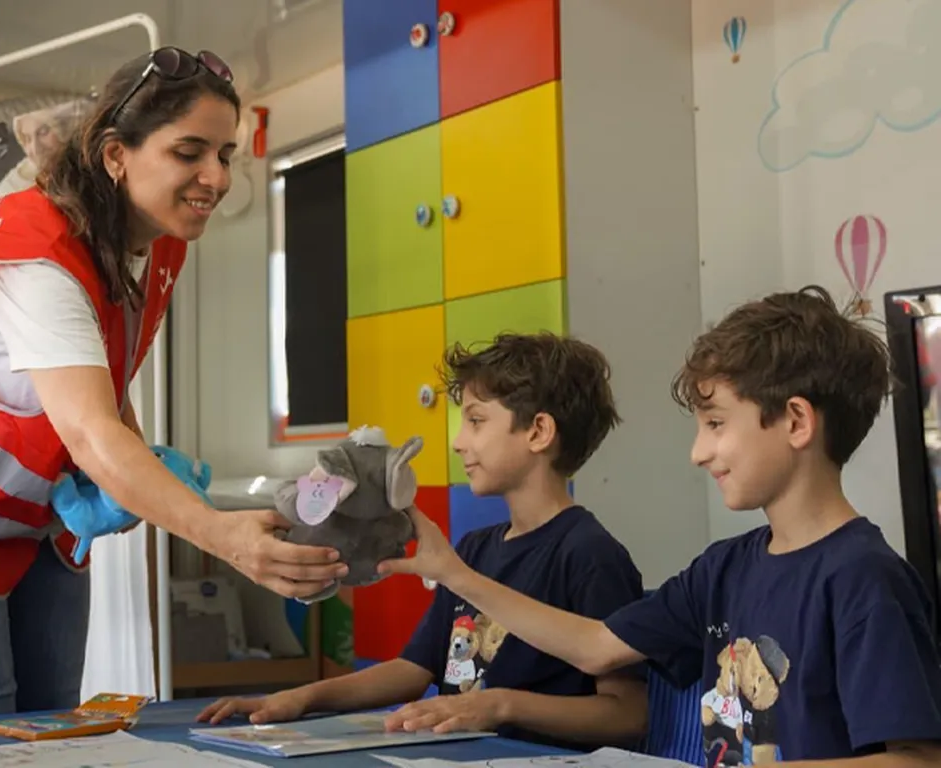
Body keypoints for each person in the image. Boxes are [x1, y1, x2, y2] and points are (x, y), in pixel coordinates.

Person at [0, 46, 347, 720]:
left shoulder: (154, 243)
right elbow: (88, 430)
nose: (217, 177)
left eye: (226, 155)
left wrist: (144, 464)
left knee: (50, 733)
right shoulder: (37, 254)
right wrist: (223, 537)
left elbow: (106, 385)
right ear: (116, 154)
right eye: (189, 152)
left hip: (40, 521)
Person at [382, 287, 941, 767]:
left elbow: (917, 759)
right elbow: (596, 647)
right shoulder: (723, 567)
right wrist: (453, 574)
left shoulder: (865, 580)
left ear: (795, 421)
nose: (700, 452)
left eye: (716, 424)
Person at [199, 333, 648, 751]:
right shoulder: (473, 549)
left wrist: (500, 705)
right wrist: (297, 699)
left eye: (475, 421)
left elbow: (626, 715)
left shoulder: (591, 555)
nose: (458, 442)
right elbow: (415, 670)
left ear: (538, 432)